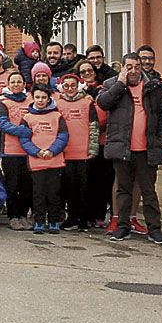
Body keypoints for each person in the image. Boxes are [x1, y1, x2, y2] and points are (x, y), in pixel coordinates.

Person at [97, 52, 162, 244]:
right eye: (129, 67)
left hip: (147, 148)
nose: (133, 71)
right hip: (122, 147)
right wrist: (120, 84)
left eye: (137, 67)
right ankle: (123, 226)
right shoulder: (112, 84)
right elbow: (103, 103)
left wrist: (161, 139)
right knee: (123, 190)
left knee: (149, 191)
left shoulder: (155, 86)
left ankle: (154, 229)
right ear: (123, 68)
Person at [19, 85, 69, 234]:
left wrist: (52, 151)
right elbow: (24, 138)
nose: (40, 100)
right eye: (38, 97)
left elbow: (63, 136)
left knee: (54, 193)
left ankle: (54, 221)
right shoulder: (27, 117)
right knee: (38, 193)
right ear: (33, 98)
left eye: (44, 97)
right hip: (36, 161)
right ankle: (39, 221)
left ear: (49, 99)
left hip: (55, 160)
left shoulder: (57, 116)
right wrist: (37, 151)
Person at [54, 73, 100, 231]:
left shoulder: (87, 102)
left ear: (78, 86)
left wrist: (93, 148)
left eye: (73, 85)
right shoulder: (57, 103)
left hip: (84, 152)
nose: (70, 89)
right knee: (69, 188)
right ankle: (72, 217)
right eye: (66, 86)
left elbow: (94, 126)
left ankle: (84, 219)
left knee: (85, 188)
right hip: (65, 152)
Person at [0, 72, 33, 230]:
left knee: (27, 185)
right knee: (12, 185)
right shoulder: (3, 102)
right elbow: (3, 124)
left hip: (29, 151)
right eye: (13, 82)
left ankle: (23, 215)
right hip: (10, 151)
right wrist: (23, 131)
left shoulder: (31, 100)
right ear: (8, 85)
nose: (16, 84)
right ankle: (13, 216)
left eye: (19, 81)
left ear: (24, 84)